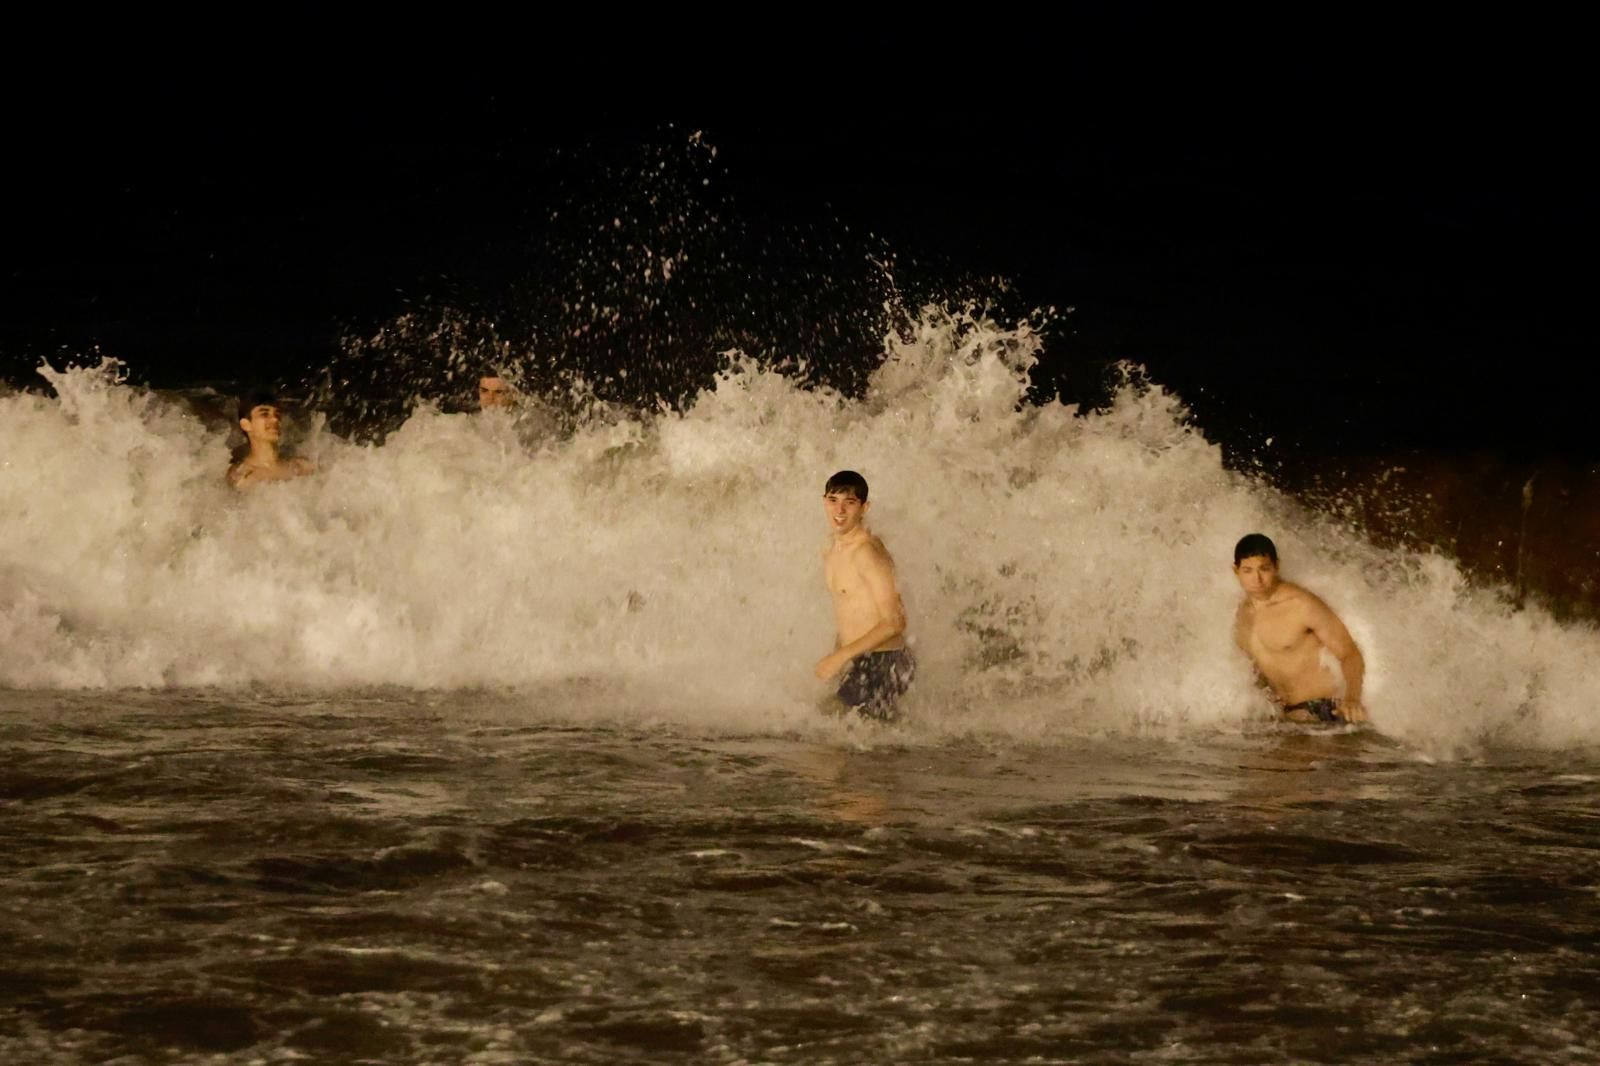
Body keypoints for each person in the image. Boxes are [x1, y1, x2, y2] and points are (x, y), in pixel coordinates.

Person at [1232, 533, 1367, 724]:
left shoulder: (1301, 604)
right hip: (1287, 718)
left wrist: (1353, 699)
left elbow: (1350, 653)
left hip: (1324, 711)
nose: (1257, 579)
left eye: (1264, 569)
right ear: (1236, 571)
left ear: (1276, 567)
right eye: (1247, 570)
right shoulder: (1241, 615)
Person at [815, 470, 914, 721]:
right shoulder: (832, 549)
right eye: (833, 500)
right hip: (861, 660)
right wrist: (839, 654)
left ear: (864, 507)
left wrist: (839, 657)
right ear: (823, 501)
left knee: (839, 737)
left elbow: (895, 621)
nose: (839, 511)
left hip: (885, 662)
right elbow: (850, 610)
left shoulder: (866, 552)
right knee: (839, 731)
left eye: (849, 503)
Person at [227, 390, 315, 489]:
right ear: (246, 425)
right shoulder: (242, 475)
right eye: (264, 414)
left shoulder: (301, 466)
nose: (275, 419)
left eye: (277, 414)